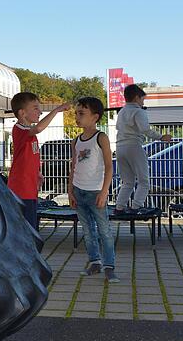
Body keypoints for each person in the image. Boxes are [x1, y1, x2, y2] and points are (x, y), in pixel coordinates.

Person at [68, 97, 119, 283]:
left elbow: (109, 167)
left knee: (104, 230)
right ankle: (95, 262)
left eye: (81, 113)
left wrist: (104, 192)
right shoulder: (76, 141)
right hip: (79, 191)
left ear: (95, 117)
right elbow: (73, 166)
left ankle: (109, 265)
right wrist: (70, 190)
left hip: (95, 192)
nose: (77, 117)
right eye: (76, 113)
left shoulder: (101, 138)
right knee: (88, 231)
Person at [7, 92, 70, 229]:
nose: (40, 112)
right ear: (22, 113)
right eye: (35, 108)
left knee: (31, 225)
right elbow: (39, 127)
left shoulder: (29, 133)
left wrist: (37, 173)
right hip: (21, 188)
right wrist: (57, 110)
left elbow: (30, 157)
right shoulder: (20, 129)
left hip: (30, 188)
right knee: (26, 228)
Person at [114, 84, 171, 213]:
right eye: (142, 99)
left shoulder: (122, 111)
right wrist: (161, 137)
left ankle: (119, 207)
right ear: (136, 97)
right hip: (134, 146)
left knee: (127, 182)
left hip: (120, 147)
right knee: (144, 181)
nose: (142, 102)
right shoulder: (138, 111)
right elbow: (145, 129)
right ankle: (136, 206)